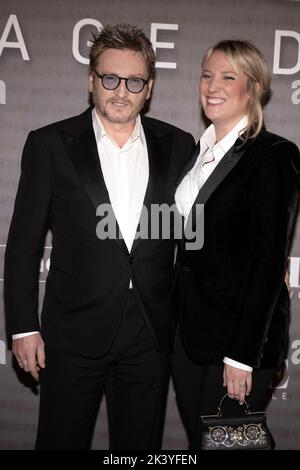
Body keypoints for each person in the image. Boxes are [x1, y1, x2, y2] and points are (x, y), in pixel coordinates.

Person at [4, 23, 195, 450]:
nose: (120, 90)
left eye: (134, 81)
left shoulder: (180, 146)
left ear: (149, 88)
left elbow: (199, 233)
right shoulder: (50, 144)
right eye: (109, 78)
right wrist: (22, 328)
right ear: (91, 82)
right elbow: (22, 246)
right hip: (72, 333)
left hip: (149, 332)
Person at [172, 39, 300, 449]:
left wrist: (241, 356)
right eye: (207, 75)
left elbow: (267, 263)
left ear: (255, 87)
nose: (213, 85)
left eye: (229, 76)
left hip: (239, 342)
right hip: (189, 335)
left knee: (231, 447)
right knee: (201, 443)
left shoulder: (274, 155)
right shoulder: (199, 151)